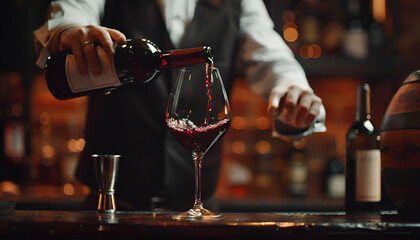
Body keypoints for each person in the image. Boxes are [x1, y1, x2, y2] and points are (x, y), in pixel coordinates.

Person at [34, 0, 326, 211]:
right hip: (109, 209)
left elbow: (272, 58)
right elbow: (72, 10)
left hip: (199, 217)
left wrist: (294, 91)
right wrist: (68, 31)